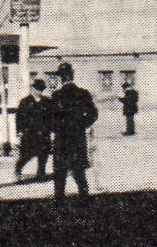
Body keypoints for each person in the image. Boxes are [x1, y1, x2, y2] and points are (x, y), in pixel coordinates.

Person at [47, 62, 99, 199]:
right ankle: (84, 199)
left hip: (61, 139)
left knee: (60, 172)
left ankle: (59, 201)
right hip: (78, 137)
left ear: (61, 78)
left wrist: (58, 129)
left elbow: (50, 118)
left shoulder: (56, 95)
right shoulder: (83, 93)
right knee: (79, 170)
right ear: (72, 76)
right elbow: (93, 113)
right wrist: (81, 125)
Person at [14, 79, 53, 181]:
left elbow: (51, 117)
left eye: (42, 89)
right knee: (26, 155)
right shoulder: (25, 102)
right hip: (29, 134)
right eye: (38, 89)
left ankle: (40, 174)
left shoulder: (47, 102)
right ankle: (18, 170)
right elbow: (19, 117)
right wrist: (20, 131)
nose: (40, 91)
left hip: (44, 134)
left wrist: (51, 130)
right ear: (33, 89)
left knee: (43, 155)